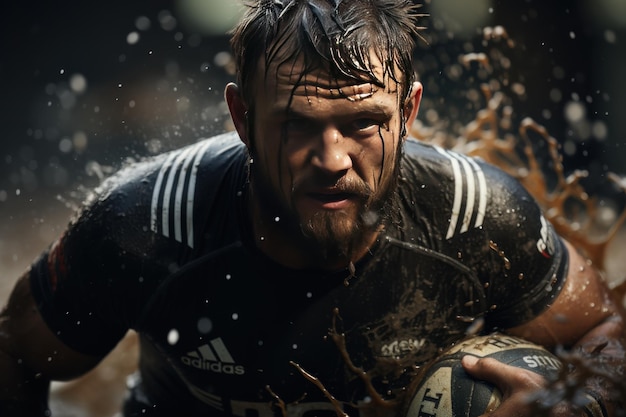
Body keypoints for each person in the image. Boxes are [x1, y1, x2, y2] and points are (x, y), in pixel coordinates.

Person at [1, 0, 624, 416]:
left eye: (362, 124)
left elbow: (602, 334)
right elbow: (15, 353)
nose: (331, 158)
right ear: (242, 117)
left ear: (407, 114)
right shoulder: (146, 224)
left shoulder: (475, 216)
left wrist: (584, 399)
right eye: (298, 126)